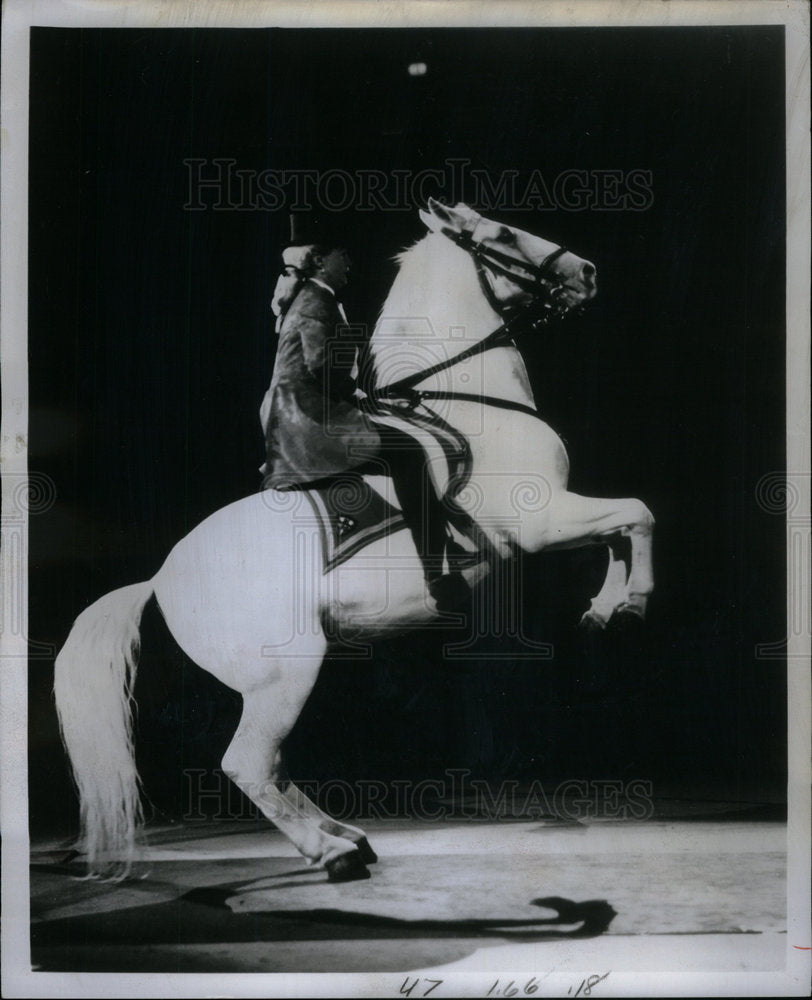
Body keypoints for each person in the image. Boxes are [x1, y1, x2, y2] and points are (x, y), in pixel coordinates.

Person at [260, 214, 469, 611]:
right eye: (343, 256)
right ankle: (437, 571)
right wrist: (361, 395)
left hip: (309, 411)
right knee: (409, 453)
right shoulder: (315, 301)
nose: (349, 264)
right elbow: (323, 367)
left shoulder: (319, 298)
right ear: (320, 261)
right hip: (307, 421)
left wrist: (367, 393)